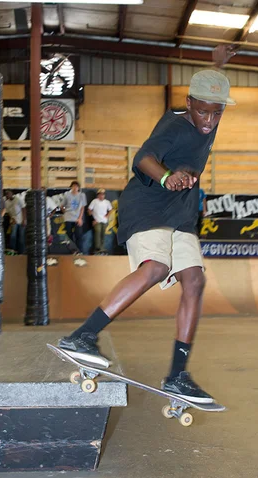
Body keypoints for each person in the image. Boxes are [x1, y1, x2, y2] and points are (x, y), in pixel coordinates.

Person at [58, 46, 236, 404]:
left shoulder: (211, 108)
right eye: (202, 111)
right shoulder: (174, 125)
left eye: (216, 113)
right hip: (149, 204)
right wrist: (168, 176)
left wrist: (217, 66)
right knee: (156, 267)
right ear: (188, 102)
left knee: (194, 279)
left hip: (181, 213)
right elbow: (144, 158)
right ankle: (83, 335)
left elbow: (212, 93)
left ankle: (177, 375)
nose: (209, 121)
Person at [61, 181, 87, 253]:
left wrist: (80, 218)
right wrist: (65, 212)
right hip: (68, 217)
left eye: (76, 186)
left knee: (78, 235)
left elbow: (82, 207)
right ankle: (72, 251)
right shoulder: (67, 195)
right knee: (69, 235)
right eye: (73, 186)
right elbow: (62, 206)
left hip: (77, 218)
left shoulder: (82, 195)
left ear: (78, 188)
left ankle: (80, 251)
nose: (75, 188)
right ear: (71, 187)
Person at [88, 189, 112, 254]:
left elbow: (110, 210)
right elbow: (89, 210)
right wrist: (93, 219)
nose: (102, 196)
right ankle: (97, 248)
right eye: (100, 194)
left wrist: (107, 216)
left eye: (103, 194)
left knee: (103, 234)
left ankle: (102, 248)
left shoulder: (107, 202)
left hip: (104, 221)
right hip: (97, 221)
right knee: (97, 233)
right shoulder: (94, 201)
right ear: (98, 195)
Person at [4, 189, 26, 254]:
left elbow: (24, 209)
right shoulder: (6, 202)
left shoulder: (18, 199)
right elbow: (8, 212)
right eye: (6, 194)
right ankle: (12, 250)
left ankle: (22, 252)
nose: (7, 195)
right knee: (13, 236)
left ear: (12, 193)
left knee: (21, 236)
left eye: (8, 193)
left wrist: (24, 220)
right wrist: (12, 219)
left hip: (21, 219)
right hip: (14, 220)